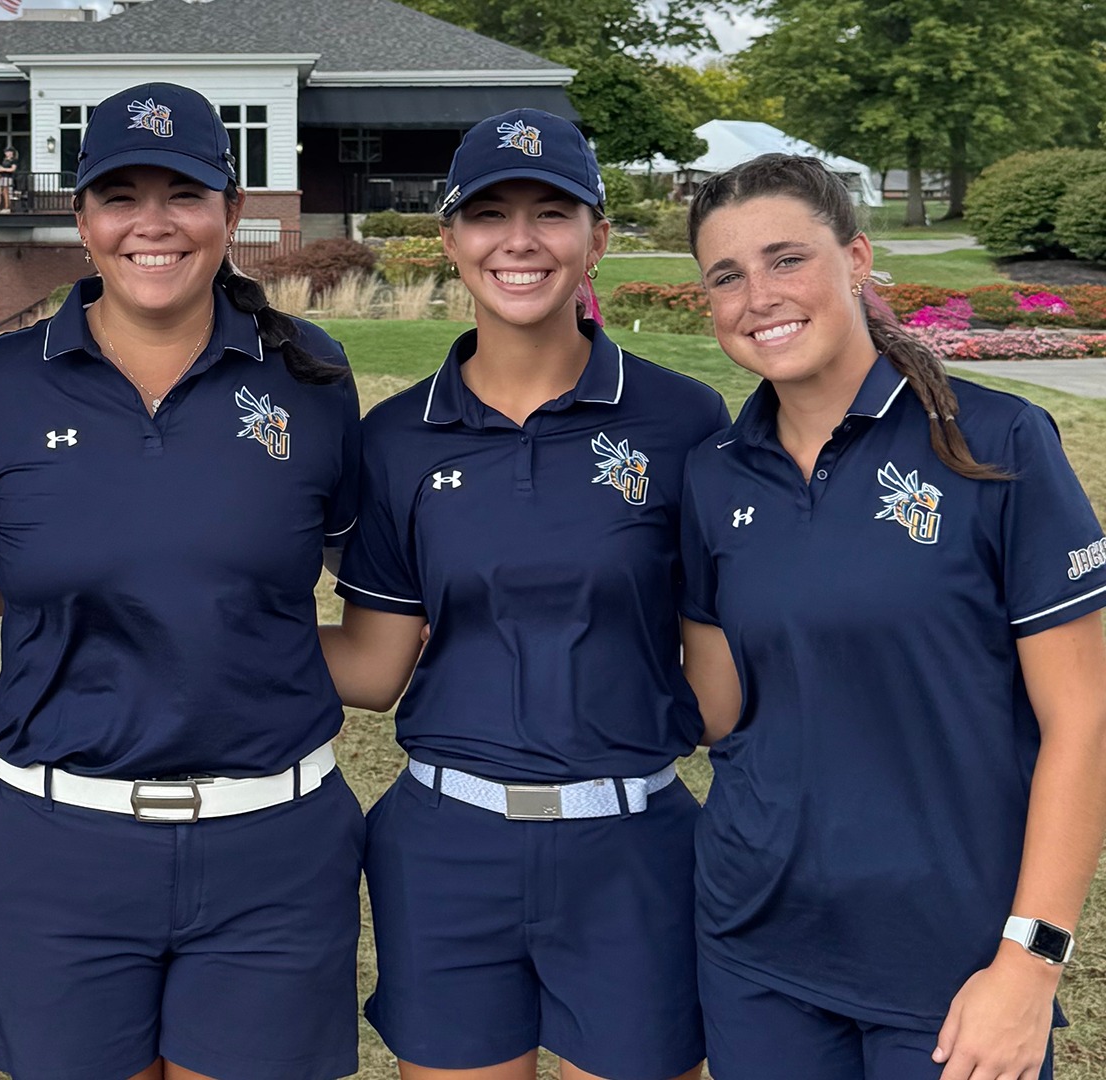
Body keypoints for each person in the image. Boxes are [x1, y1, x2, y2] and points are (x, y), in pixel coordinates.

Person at [0, 82, 364, 1080]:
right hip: (58, 848)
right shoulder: (1, 382)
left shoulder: (310, 377)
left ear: (233, 209)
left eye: (185, 192)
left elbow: (382, 592)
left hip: (274, 847)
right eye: (121, 195)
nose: (154, 223)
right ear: (81, 220)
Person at [319, 109, 728, 1080]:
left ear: (599, 238)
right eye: (489, 213)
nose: (519, 241)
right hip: (447, 850)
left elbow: (718, 689)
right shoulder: (397, 440)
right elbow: (377, 669)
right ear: (451, 237)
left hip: (635, 850)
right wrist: (202, 620)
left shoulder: (683, 420)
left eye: (552, 212)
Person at [678, 153, 1106, 1080]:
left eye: (787, 259)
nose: (758, 296)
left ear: (858, 259)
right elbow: (717, 710)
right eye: (727, 275)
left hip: (953, 965)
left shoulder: (995, 443)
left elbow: (1082, 724)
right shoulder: (713, 473)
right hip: (756, 943)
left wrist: (1030, 962)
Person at [0, 145, 19, 211]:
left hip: (8, 177)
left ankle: (7, 207)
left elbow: (12, 169)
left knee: (6, 192)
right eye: (7, 152)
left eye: (9, 152)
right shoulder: (4, 160)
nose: (8, 153)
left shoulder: (14, 160)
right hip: (2, 177)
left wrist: (3, 169)